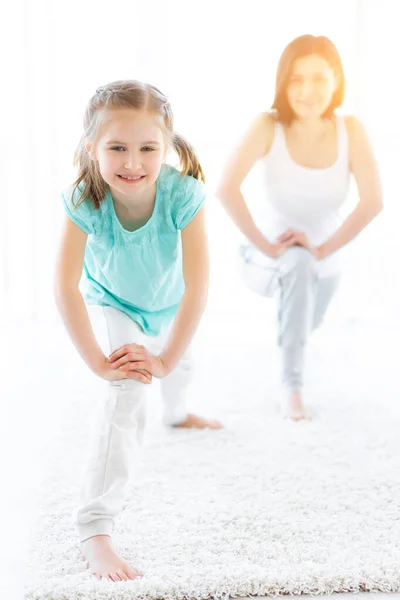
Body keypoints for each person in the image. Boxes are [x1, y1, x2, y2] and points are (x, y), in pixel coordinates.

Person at [54, 80, 222, 582]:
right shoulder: (84, 199)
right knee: (128, 389)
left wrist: (167, 358)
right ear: (92, 148)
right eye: (117, 148)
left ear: (166, 147)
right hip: (116, 303)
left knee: (181, 365)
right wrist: (99, 364)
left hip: (170, 303)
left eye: (148, 148)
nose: (133, 163)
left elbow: (198, 286)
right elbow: (64, 286)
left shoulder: (184, 194)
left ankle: (178, 412)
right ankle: (95, 527)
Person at [216, 35, 383, 421]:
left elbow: (374, 202)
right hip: (263, 258)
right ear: (282, 82)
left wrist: (322, 249)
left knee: (305, 317)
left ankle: (291, 332)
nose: (308, 90)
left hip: (326, 261)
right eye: (297, 79)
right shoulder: (267, 126)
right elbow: (225, 189)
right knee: (296, 264)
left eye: (319, 79)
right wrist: (269, 246)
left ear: (336, 80)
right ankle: (291, 390)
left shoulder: (351, 130)